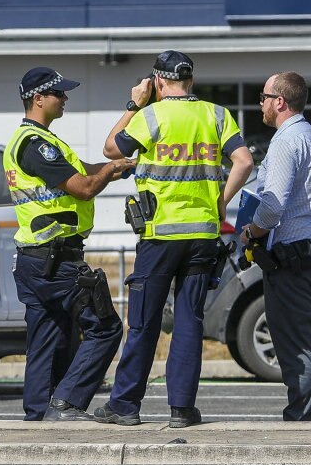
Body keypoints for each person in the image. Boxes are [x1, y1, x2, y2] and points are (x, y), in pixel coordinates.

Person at [92, 50, 254, 428]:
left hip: (160, 235)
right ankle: (182, 409)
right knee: (188, 322)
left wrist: (134, 103)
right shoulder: (217, 114)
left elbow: (111, 149)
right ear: (191, 80)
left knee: (145, 322)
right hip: (202, 234)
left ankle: (125, 405)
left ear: (158, 81)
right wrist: (220, 201)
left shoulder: (152, 115)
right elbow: (244, 161)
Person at [3, 67, 136, 421]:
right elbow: (84, 187)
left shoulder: (36, 141)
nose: (65, 99)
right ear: (38, 99)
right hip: (56, 258)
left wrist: (114, 165)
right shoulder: (35, 146)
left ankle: (37, 417)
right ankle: (67, 403)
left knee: (47, 338)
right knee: (106, 328)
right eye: (59, 94)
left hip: (35, 259)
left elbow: (78, 170)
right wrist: (106, 174)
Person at [240, 71, 311, 421]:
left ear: (280, 101)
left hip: (290, 258)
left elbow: (273, 203)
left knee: (294, 347)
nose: (261, 104)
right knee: (310, 342)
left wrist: (252, 232)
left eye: (264, 97)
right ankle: (310, 413)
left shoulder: (284, 142)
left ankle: (301, 419)